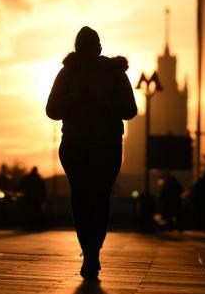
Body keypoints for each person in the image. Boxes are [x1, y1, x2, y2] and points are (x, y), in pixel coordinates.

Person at [46, 26, 137, 279]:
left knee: (93, 199)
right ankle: (90, 251)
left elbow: (129, 110)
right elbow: (52, 110)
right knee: (88, 199)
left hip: (103, 147)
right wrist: (75, 98)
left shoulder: (113, 74)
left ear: (98, 50)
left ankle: (91, 252)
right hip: (79, 147)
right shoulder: (69, 74)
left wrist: (104, 102)